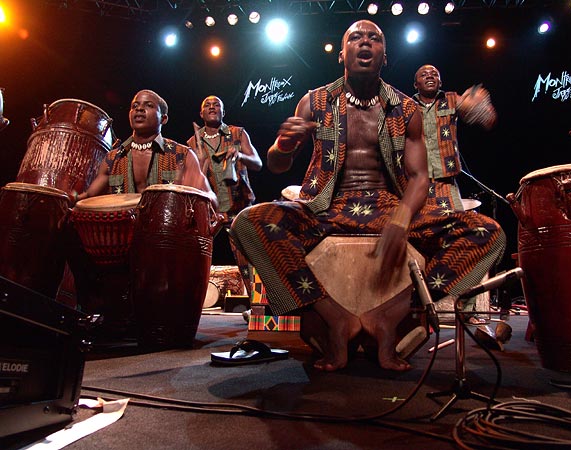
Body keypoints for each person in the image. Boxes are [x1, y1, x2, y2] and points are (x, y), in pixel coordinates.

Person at [230, 20, 506, 372]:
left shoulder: (406, 110)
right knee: (248, 223)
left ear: (385, 56)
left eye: (374, 38)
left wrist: (402, 218)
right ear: (341, 53)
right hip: (324, 208)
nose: (364, 42)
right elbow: (277, 164)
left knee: (488, 233)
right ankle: (332, 316)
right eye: (355, 37)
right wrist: (284, 145)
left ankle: (396, 312)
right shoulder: (313, 101)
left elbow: (421, 177)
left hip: (387, 206)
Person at [76, 89, 217, 208]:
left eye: (149, 105)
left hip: (167, 236)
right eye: (134, 106)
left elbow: (211, 198)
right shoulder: (112, 159)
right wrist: (71, 198)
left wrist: (189, 196)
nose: (139, 109)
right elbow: (88, 197)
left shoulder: (182, 155)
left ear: (164, 118)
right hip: (123, 237)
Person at [187, 95, 262, 291]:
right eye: (207, 105)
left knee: (249, 260)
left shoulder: (237, 133)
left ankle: (258, 307)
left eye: (216, 105)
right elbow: (193, 180)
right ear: (201, 113)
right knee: (196, 256)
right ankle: (191, 303)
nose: (212, 107)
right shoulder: (193, 142)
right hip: (209, 210)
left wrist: (240, 155)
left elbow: (258, 163)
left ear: (223, 112)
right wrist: (200, 163)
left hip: (238, 207)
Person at [413, 64, 497, 211]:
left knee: (455, 228)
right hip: (416, 183)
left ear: (440, 82)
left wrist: (478, 105)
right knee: (419, 230)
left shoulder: (451, 99)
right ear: (415, 84)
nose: (430, 75)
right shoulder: (408, 106)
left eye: (434, 74)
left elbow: (485, 118)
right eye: (424, 74)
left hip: (446, 183)